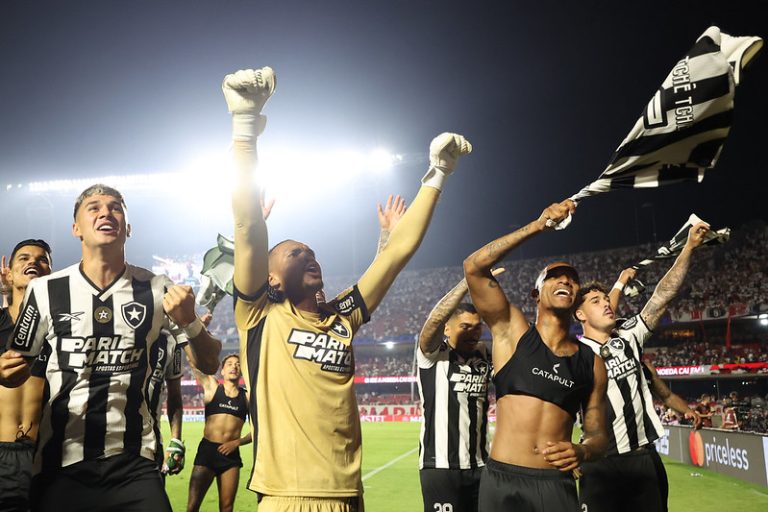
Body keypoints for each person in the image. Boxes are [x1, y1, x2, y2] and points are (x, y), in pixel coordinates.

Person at [223, 66, 471, 511]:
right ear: (271, 276)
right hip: (289, 497)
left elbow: (396, 256)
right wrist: (245, 128)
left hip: (350, 496)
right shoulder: (260, 315)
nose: (309, 255)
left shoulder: (343, 318)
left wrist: (437, 174)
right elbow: (246, 228)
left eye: (311, 251)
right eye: (295, 252)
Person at [0, 184, 222, 511]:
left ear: (128, 227)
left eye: (116, 207)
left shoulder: (159, 288)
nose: (106, 212)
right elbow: (16, 370)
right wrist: (7, 372)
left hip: (134, 462)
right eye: (93, 207)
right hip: (61, 462)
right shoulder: (46, 291)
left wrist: (190, 321)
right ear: (76, 228)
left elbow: (209, 362)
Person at [463, 200, 608, 511]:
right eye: (555, 276)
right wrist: (539, 224)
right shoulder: (511, 331)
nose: (566, 281)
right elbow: (473, 267)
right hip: (502, 480)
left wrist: (583, 452)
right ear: (536, 293)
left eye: (571, 279)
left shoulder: (591, 363)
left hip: (554, 485)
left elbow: (598, 435)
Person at [573, 222, 710, 512]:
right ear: (580, 314)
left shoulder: (628, 335)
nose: (607, 304)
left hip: (643, 460)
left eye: (606, 300)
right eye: (596, 301)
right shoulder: (574, 354)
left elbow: (661, 297)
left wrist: (687, 249)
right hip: (600, 464)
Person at [416, 269, 503, 512]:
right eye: (465, 326)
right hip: (441, 468)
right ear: (447, 329)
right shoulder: (433, 356)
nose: (473, 333)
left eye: (477, 327)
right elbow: (433, 321)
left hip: (481, 466)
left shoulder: (484, 354)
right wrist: (468, 284)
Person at [0, 240, 53, 511]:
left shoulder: (64, 330)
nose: (33, 262)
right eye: (23, 258)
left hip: (48, 456)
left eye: (42, 259)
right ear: (7, 273)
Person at [187, 353, 251, 512]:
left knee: (227, 508)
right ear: (222, 371)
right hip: (207, 452)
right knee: (192, 507)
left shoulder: (247, 397)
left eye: (237, 364)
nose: (234, 367)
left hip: (231, 456)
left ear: (242, 371)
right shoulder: (212, 386)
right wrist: (191, 335)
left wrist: (237, 442)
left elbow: (258, 429)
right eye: (229, 364)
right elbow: (194, 364)